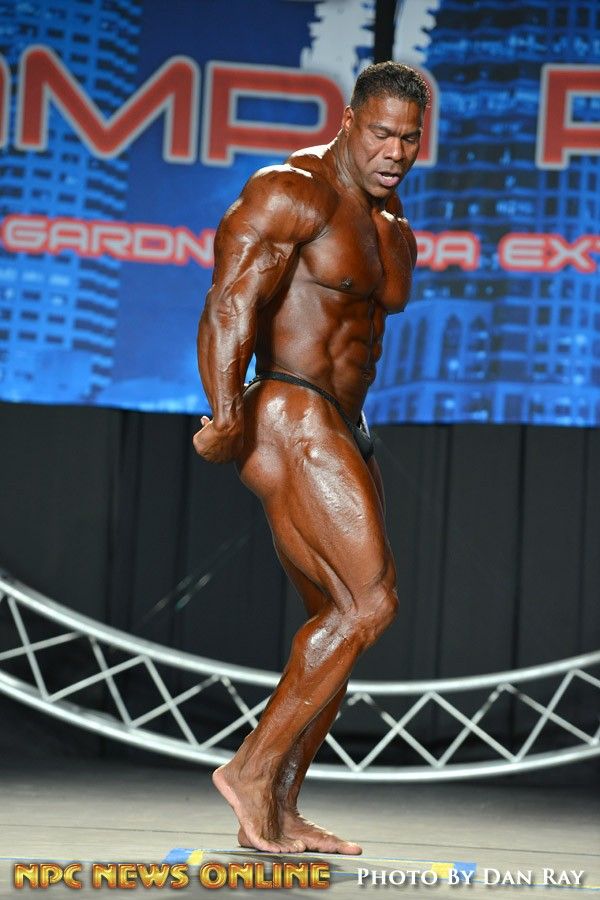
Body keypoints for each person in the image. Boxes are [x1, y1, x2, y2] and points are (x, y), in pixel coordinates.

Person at [193, 61, 429, 855]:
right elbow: (231, 299)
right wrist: (226, 412)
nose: (395, 151)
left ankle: (280, 807)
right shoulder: (293, 191)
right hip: (288, 409)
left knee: (338, 621)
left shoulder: (392, 222)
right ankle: (251, 771)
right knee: (370, 602)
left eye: (409, 138)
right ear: (349, 120)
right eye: (382, 133)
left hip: (342, 425)